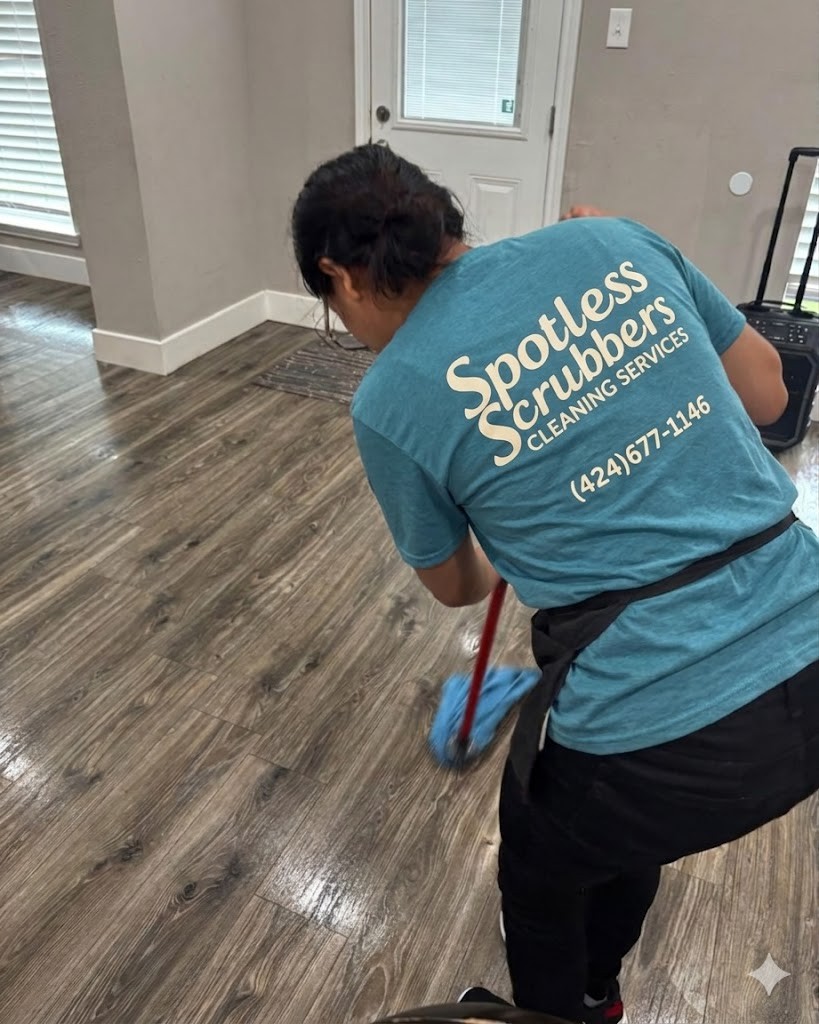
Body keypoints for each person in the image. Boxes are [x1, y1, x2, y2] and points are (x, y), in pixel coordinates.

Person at [291, 144, 819, 1024]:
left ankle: (573, 1006)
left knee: (541, 874)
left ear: (338, 276)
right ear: (444, 219)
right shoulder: (613, 241)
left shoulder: (389, 398)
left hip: (659, 741)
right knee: (609, 830)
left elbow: (457, 585)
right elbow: (770, 398)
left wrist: (512, 522)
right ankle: (593, 988)